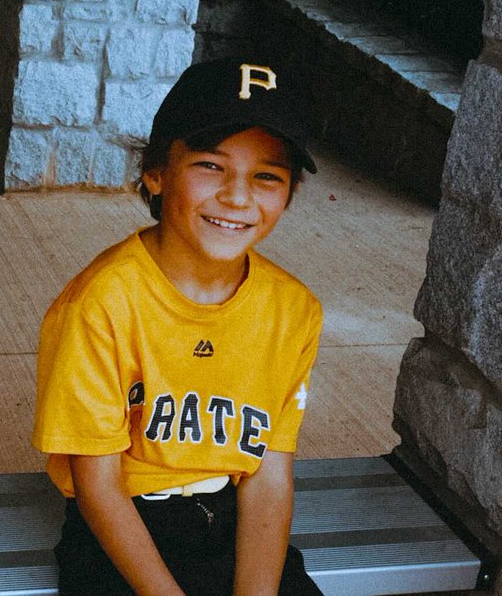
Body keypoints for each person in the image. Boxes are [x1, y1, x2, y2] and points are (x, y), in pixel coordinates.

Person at [32, 58, 326, 595]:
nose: (237, 196)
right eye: (211, 165)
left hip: (234, 521)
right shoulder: (101, 302)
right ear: (156, 173)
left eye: (266, 176)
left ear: (288, 193)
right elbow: (98, 485)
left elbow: (267, 474)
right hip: (122, 529)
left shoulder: (293, 310)